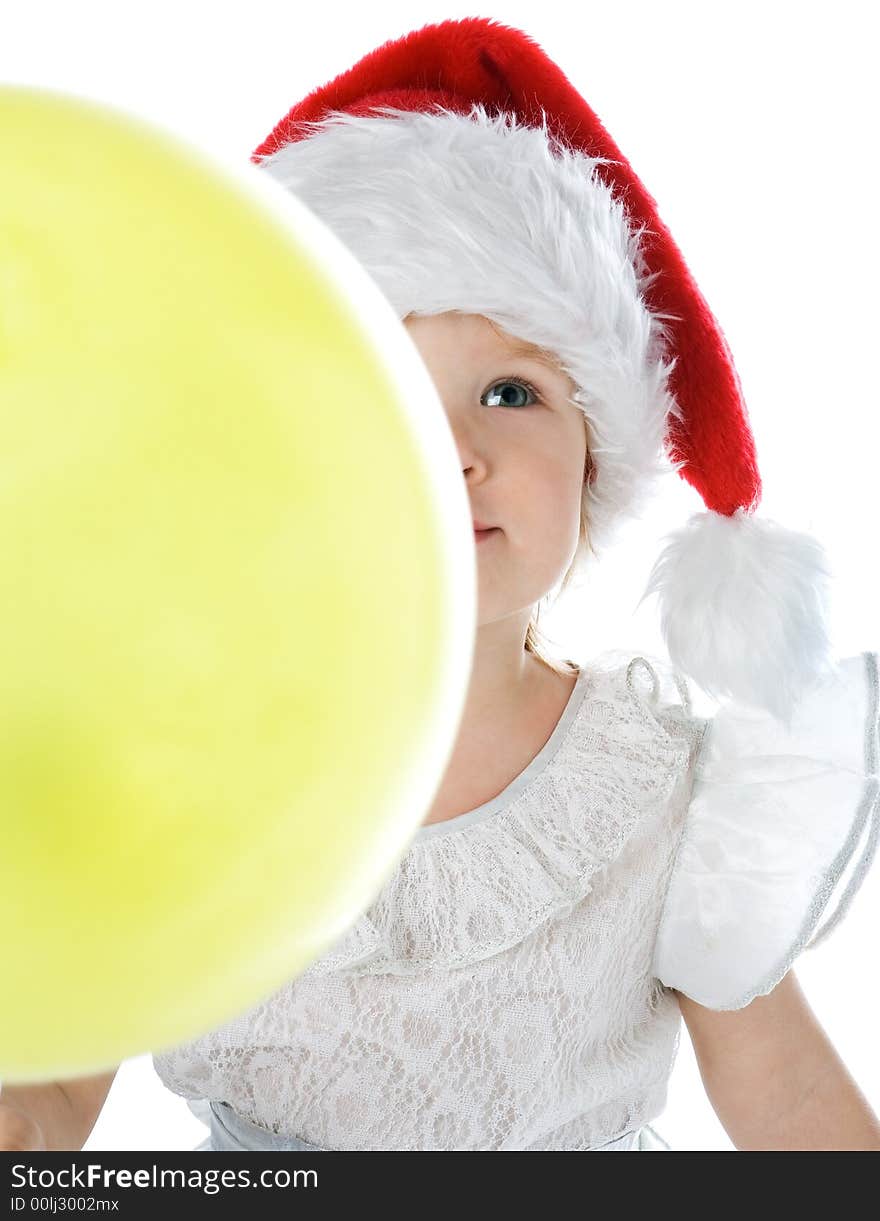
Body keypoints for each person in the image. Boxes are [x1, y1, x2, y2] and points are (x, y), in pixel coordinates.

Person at [5, 15, 877, 1153]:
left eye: (510, 393)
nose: (449, 451)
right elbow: (56, 1093)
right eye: (387, 397)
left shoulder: (661, 788)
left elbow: (789, 1102)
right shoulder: (183, 759)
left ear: (594, 459)